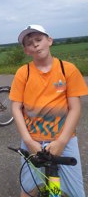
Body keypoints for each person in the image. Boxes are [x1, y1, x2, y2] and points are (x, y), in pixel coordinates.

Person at [9, 24, 88, 197]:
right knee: (27, 192)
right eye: (30, 43)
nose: (35, 45)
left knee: (76, 193)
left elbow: (75, 108)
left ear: (50, 41)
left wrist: (61, 141)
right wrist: (28, 141)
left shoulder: (68, 69)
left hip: (64, 140)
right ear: (26, 50)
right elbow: (15, 107)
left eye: (39, 39)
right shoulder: (24, 73)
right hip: (33, 140)